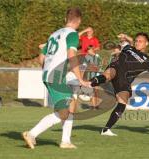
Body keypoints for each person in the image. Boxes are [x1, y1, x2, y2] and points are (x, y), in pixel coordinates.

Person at [22, 7, 90, 149]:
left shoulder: (54, 34)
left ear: (65, 19)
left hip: (49, 74)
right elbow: (71, 55)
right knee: (64, 111)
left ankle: (65, 141)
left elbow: (41, 58)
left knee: (70, 104)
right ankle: (32, 134)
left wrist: (48, 70)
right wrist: (81, 79)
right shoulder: (72, 34)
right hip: (56, 76)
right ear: (79, 21)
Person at [89, 32, 149, 136]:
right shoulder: (129, 48)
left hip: (124, 79)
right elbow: (129, 41)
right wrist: (125, 37)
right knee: (108, 75)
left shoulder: (148, 61)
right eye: (136, 41)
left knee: (122, 103)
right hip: (116, 68)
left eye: (140, 41)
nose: (137, 43)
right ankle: (88, 83)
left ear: (146, 43)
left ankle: (106, 130)